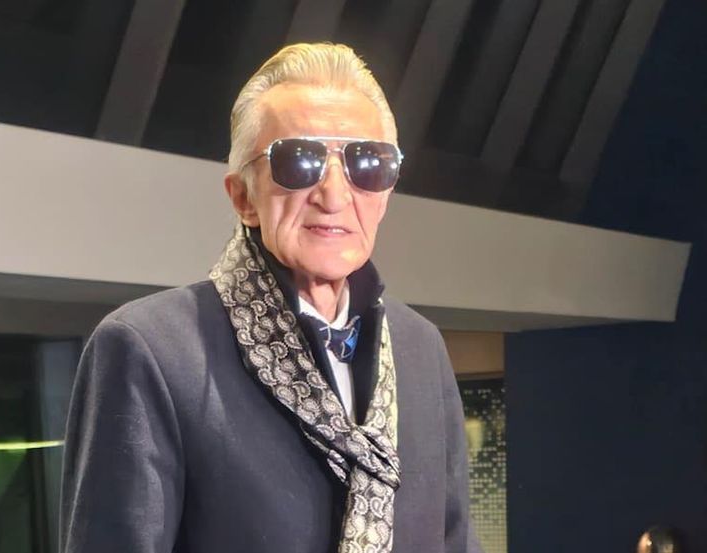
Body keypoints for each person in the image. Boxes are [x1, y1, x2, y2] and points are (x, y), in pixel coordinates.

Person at [60, 42, 481, 553]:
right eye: (300, 161)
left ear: (386, 193)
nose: (335, 194)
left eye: (367, 163)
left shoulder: (420, 347)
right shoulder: (154, 350)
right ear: (242, 196)